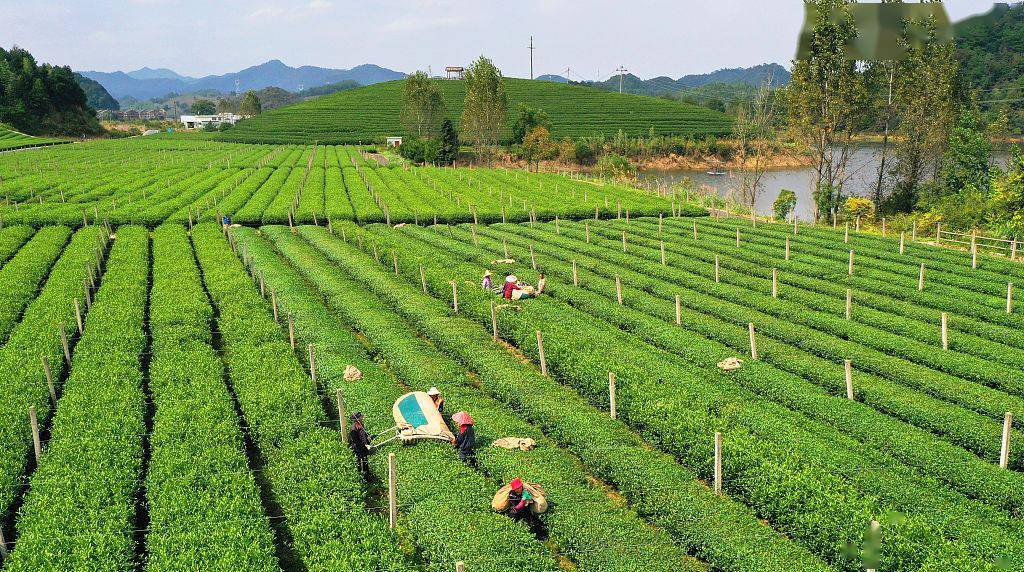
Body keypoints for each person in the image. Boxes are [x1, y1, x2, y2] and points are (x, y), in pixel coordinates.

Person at [349, 412, 374, 479]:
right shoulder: (353, 429)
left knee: (365, 461)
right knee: (359, 463)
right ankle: (361, 478)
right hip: (358, 448)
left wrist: (369, 436)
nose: (362, 416)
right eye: (361, 416)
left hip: (363, 447)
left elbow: (363, 435)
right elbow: (356, 441)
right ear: (357, 418)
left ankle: (367, 476)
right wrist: (365, 445)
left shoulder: (360, 424)